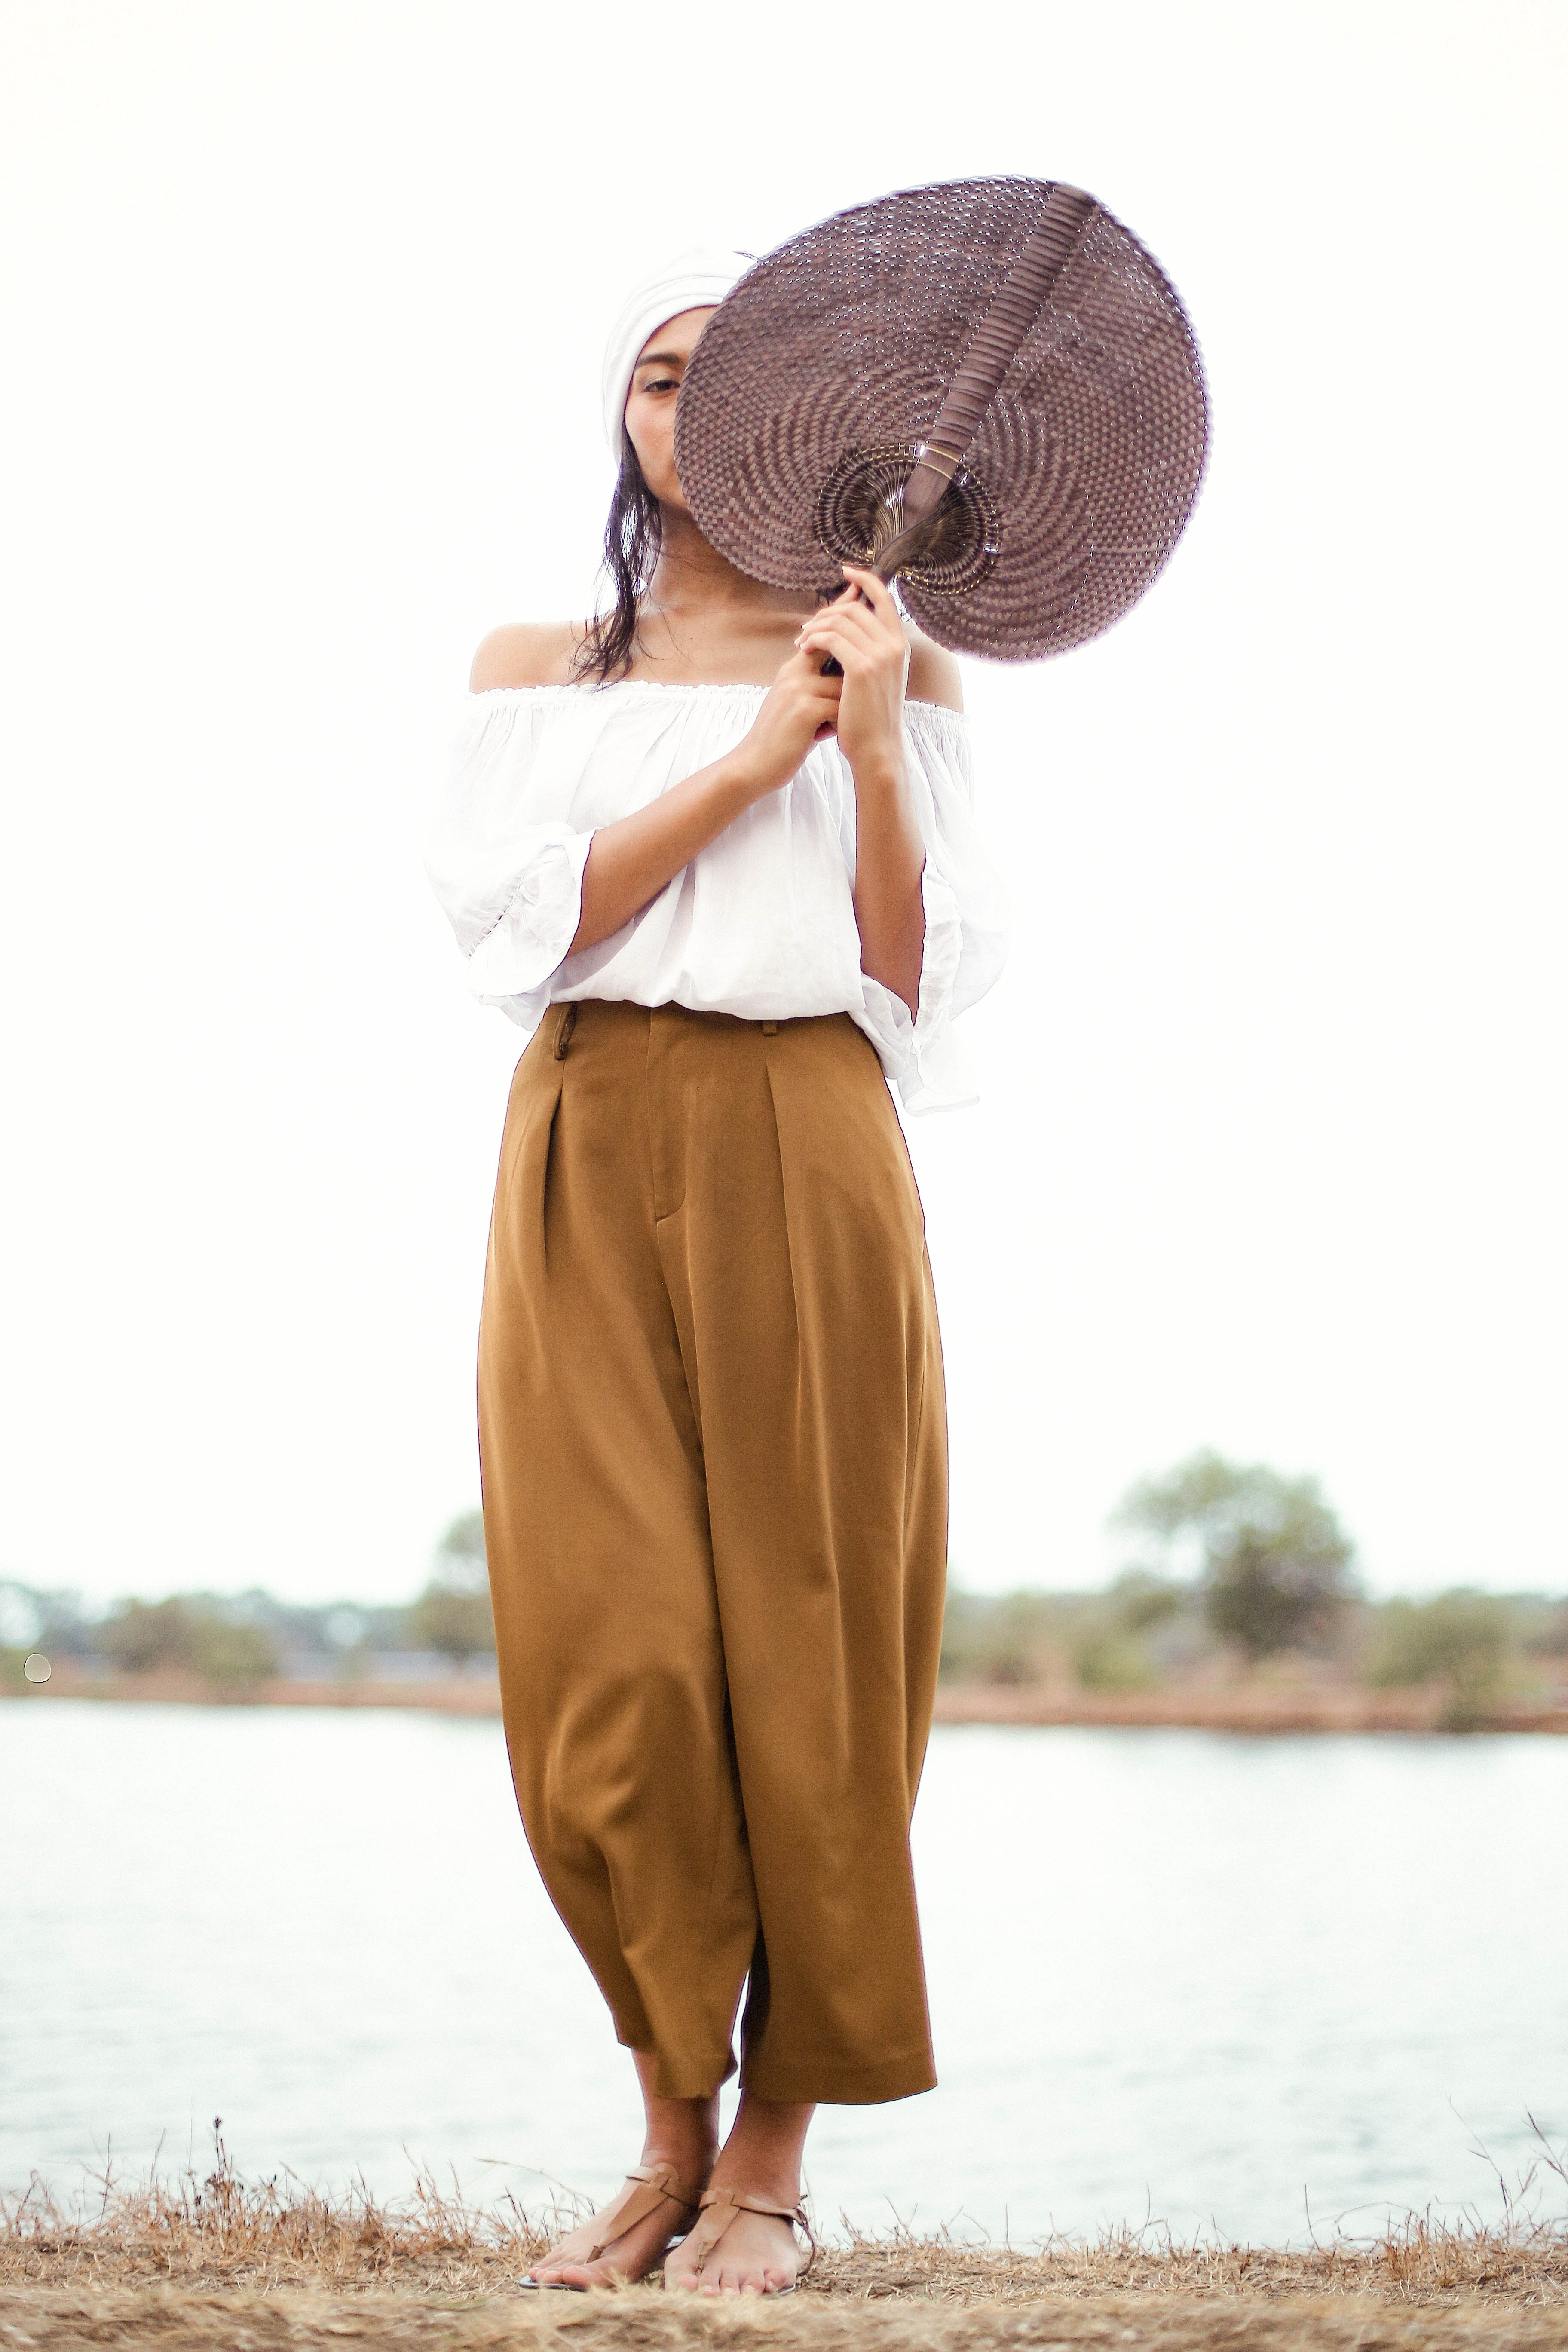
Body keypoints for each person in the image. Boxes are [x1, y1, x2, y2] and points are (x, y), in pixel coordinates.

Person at [426, 251, 1008, 2296]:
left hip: (811, 1134)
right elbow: (517, 934)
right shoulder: (535, 667)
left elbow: (920, 982)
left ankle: (762, 2162)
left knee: (812, 1661)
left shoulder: (902, 662)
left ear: (803, 415)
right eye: (660, 376)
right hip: (588, 1136)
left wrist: (856, 742)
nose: (689, 407)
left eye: (729, 376)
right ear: (625, 415)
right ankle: (662, 2123)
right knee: (618, 1669)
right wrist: (751, 759)